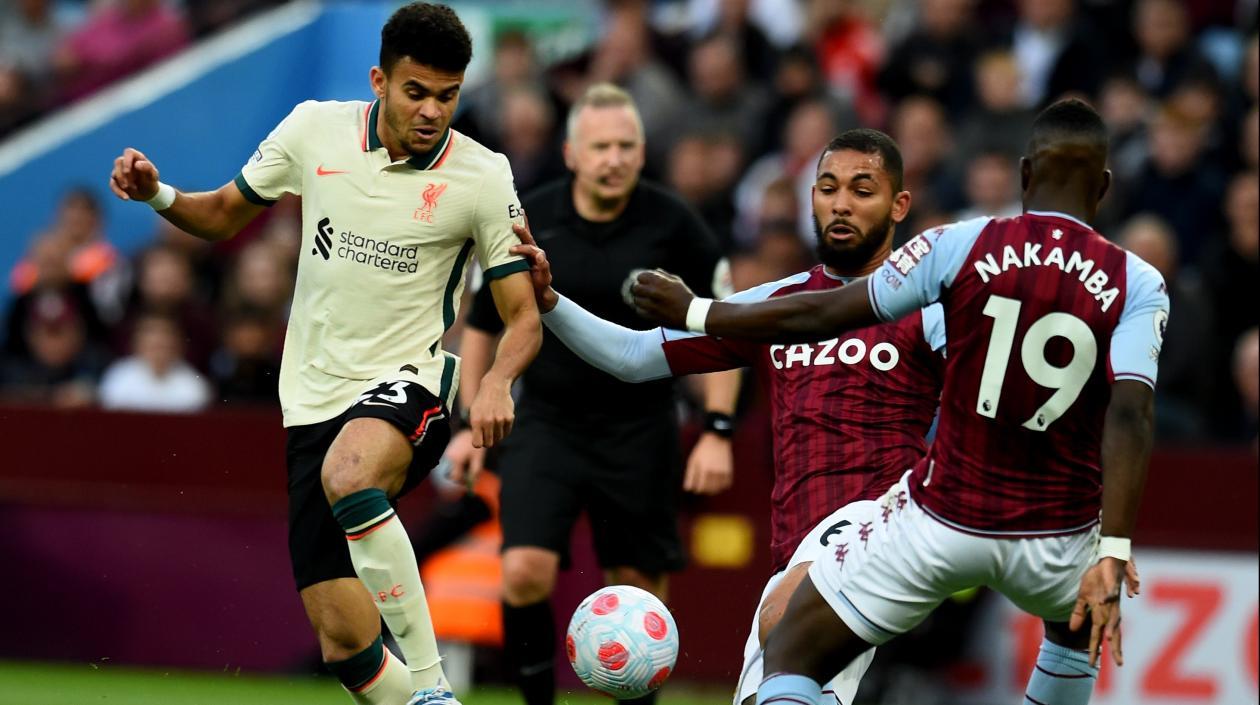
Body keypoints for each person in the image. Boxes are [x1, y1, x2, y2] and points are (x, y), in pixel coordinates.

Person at [630, 99, 1167, 705]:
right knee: (1071, 639)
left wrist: (698, 311)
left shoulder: (963, 243)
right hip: (1059, 528)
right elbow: (1131, 414)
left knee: (788, 651)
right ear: (1104, 186)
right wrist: (1114, 546)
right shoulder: (1138, 282)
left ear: (1023, 175)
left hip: (948, 516)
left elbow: (830, 308)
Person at [106, 4, 541, 704]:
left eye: (448, 95)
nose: (433, 110)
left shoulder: (484, 177)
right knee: (345, 644)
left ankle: (433, 687)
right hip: (310, 399)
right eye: (417, 91)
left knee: (351, 469)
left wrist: (496, 382)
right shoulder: (314, 130)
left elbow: (523, 314)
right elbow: (221, 214)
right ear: (379, 79)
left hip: (410, 385)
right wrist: (157, 192)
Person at [507, 128, 946, 705]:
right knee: (774, 681)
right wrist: (551, 304)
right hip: (798, 549)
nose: (841, 203)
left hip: (881, 532)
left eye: (862, 190)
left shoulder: (926, 304)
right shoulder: (777, 305)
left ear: (898, 205)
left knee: (785, 625)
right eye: (828, 188)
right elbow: (636, 357)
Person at [445, 82, 734, 705]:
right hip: (546, 421)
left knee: (638, 590)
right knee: (523, 572)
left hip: (642, 425)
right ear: (572, 152)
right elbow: (481, 328)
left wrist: (717, 430)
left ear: (642, 150)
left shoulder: (677, 225)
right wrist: (468, 422)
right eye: (600, 146)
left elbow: (720, 332)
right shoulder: (528, 218)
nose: (614, 158)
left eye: (626, 145)